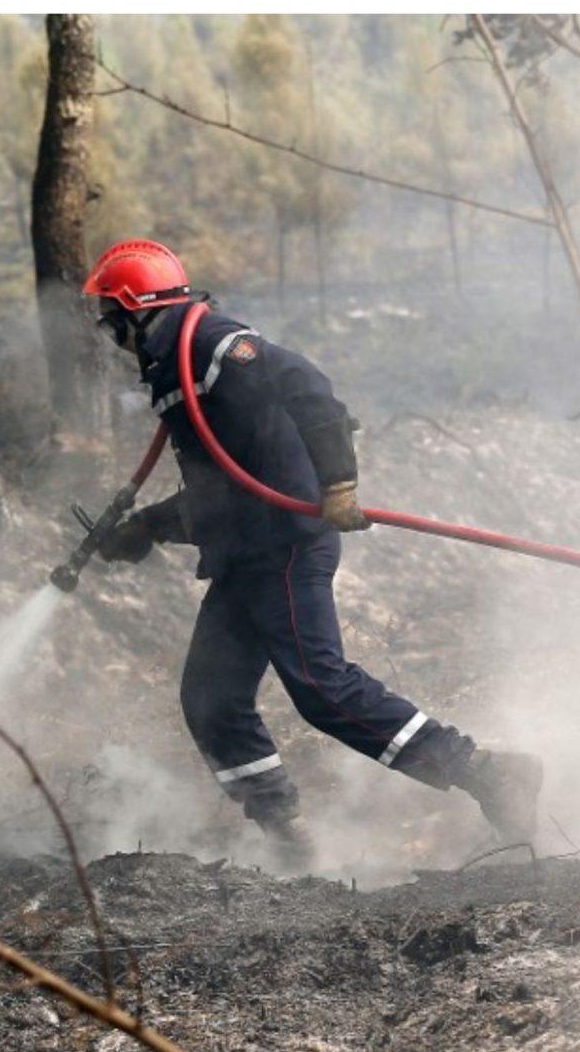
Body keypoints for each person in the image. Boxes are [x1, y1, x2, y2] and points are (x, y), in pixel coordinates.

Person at [83, 238, 540, 867]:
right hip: (248, 551)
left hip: (287, 544)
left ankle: (487, 773)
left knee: (323, 689)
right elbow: (229, 481)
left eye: (112, 322)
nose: (113, 339)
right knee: (211, 700)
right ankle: (289, 838)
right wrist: (149, 528)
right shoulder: (178, 370)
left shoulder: (213, 344)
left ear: (138, 311)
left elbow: (310, 390)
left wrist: (338, 482)